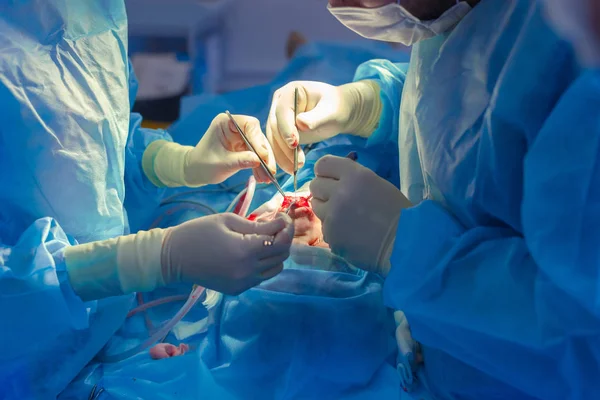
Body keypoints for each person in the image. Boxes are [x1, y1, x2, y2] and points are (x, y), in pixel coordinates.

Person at [266, 0, 600, 398]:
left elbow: (583, 342)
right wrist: (373, 105)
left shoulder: (578, 54)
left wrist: (405, 246)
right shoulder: (466, 16)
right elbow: (465, 104)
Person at [0, 2, 293, 398]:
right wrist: (152, 258)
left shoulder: (89, 8)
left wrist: (180, 164)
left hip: (104, 326)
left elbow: (96, 145)